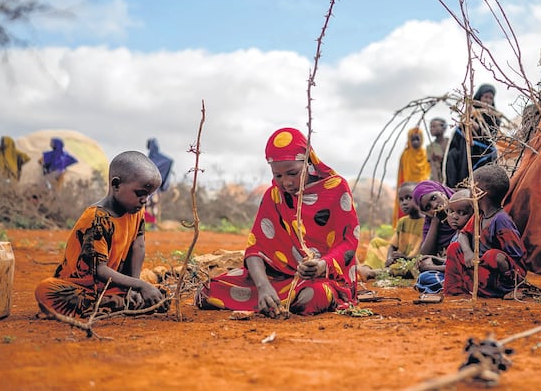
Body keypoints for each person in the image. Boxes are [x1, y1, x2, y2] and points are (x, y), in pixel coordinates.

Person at [196, 127, 359, 317]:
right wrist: (263, 286)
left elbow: (349, 242)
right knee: (208, 290)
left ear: (308, 161)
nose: (286, 183)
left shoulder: (336, 188)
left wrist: (322, 265)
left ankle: (277, 302)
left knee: (314, 295)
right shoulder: (274, 196)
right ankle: (272, 300)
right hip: (279, 278)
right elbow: (255, 249)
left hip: (324, 279)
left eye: (292, 173)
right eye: (278, 176)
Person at [34, 151, 167, 318]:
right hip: (84, 288)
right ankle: (118, 303)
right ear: (116, 185)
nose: (144, 200)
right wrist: (140, 286)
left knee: (160, 288)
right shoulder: (96, 218)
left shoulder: (135, 211)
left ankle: (120, 301)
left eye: (148, 195)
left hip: (116, 284)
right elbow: (99, 270)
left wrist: (133, 286)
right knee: (46, 290)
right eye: (140, 194)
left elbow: (138, 246)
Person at [444, 165, 526, 298]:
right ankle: (456, 290)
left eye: (471, 188)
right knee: (454, 247)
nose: (469, 192)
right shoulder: (479, 216)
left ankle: (508, 291)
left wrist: (514, 279)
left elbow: (517, 256)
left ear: (481, 192)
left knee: (493, 256)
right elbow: (463, 235)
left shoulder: (501, 220)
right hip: (480, 270)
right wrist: (468, 253)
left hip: (500, 277)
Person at [359, 181, 424, 281]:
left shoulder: (425, 223)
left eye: (408, 198)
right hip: (399, 258)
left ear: (419, 198)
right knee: (376, 242)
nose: (404, 203)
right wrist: (389, 258)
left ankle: (373, 273)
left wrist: (405, 258)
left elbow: (422, 253)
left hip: (410, 262)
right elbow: (393, 245)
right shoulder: (402, 222)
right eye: (401, 200)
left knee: (407, 268)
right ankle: (368, 269)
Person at [414, 188, 474, 294]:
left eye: (461, 213)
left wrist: (431, 267)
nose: (454, 217)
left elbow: (458, 267)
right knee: (425, 277)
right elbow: (453, 260)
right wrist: (434, 258)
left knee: (425, 277)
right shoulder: (457, 233)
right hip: (455, 273)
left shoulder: (470, 236)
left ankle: (448, 287)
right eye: (450, 211)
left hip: (465, 275)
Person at [445, 84, 502, 188]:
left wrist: (477, 128)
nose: (488, 100)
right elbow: (459, 135)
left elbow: (492, 138)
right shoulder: (468, 113)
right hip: (465, 151)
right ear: (479, 97)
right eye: (485, 97)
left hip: (483, 153)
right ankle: (456, 186)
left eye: (490, 98)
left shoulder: (494, 117)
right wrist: (466, 124)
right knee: (453, 155)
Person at [393, 127, 430, 228]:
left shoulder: (426, 154)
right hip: (408, 190)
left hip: (423, 191)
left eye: (417, 139)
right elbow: (402, 175)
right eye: (412, 139)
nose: (415, 142)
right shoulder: (405, 155)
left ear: (422, 139)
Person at [145, 138, 174, 228]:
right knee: (147, 204)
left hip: (154, 186)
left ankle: (153, 224)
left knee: (152, 204)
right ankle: (146, 223)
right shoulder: (149, 158)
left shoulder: (155, 159)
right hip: (150, 185)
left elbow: (169, 161)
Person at [426, 117, 449, 183]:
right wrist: (437, 183)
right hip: (437, 177)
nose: (431, 129)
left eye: (434, 126)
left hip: (450, 175)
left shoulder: (450, 142)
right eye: (430, 127)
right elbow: (433, 167)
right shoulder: (430, 147)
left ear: (443, 127)